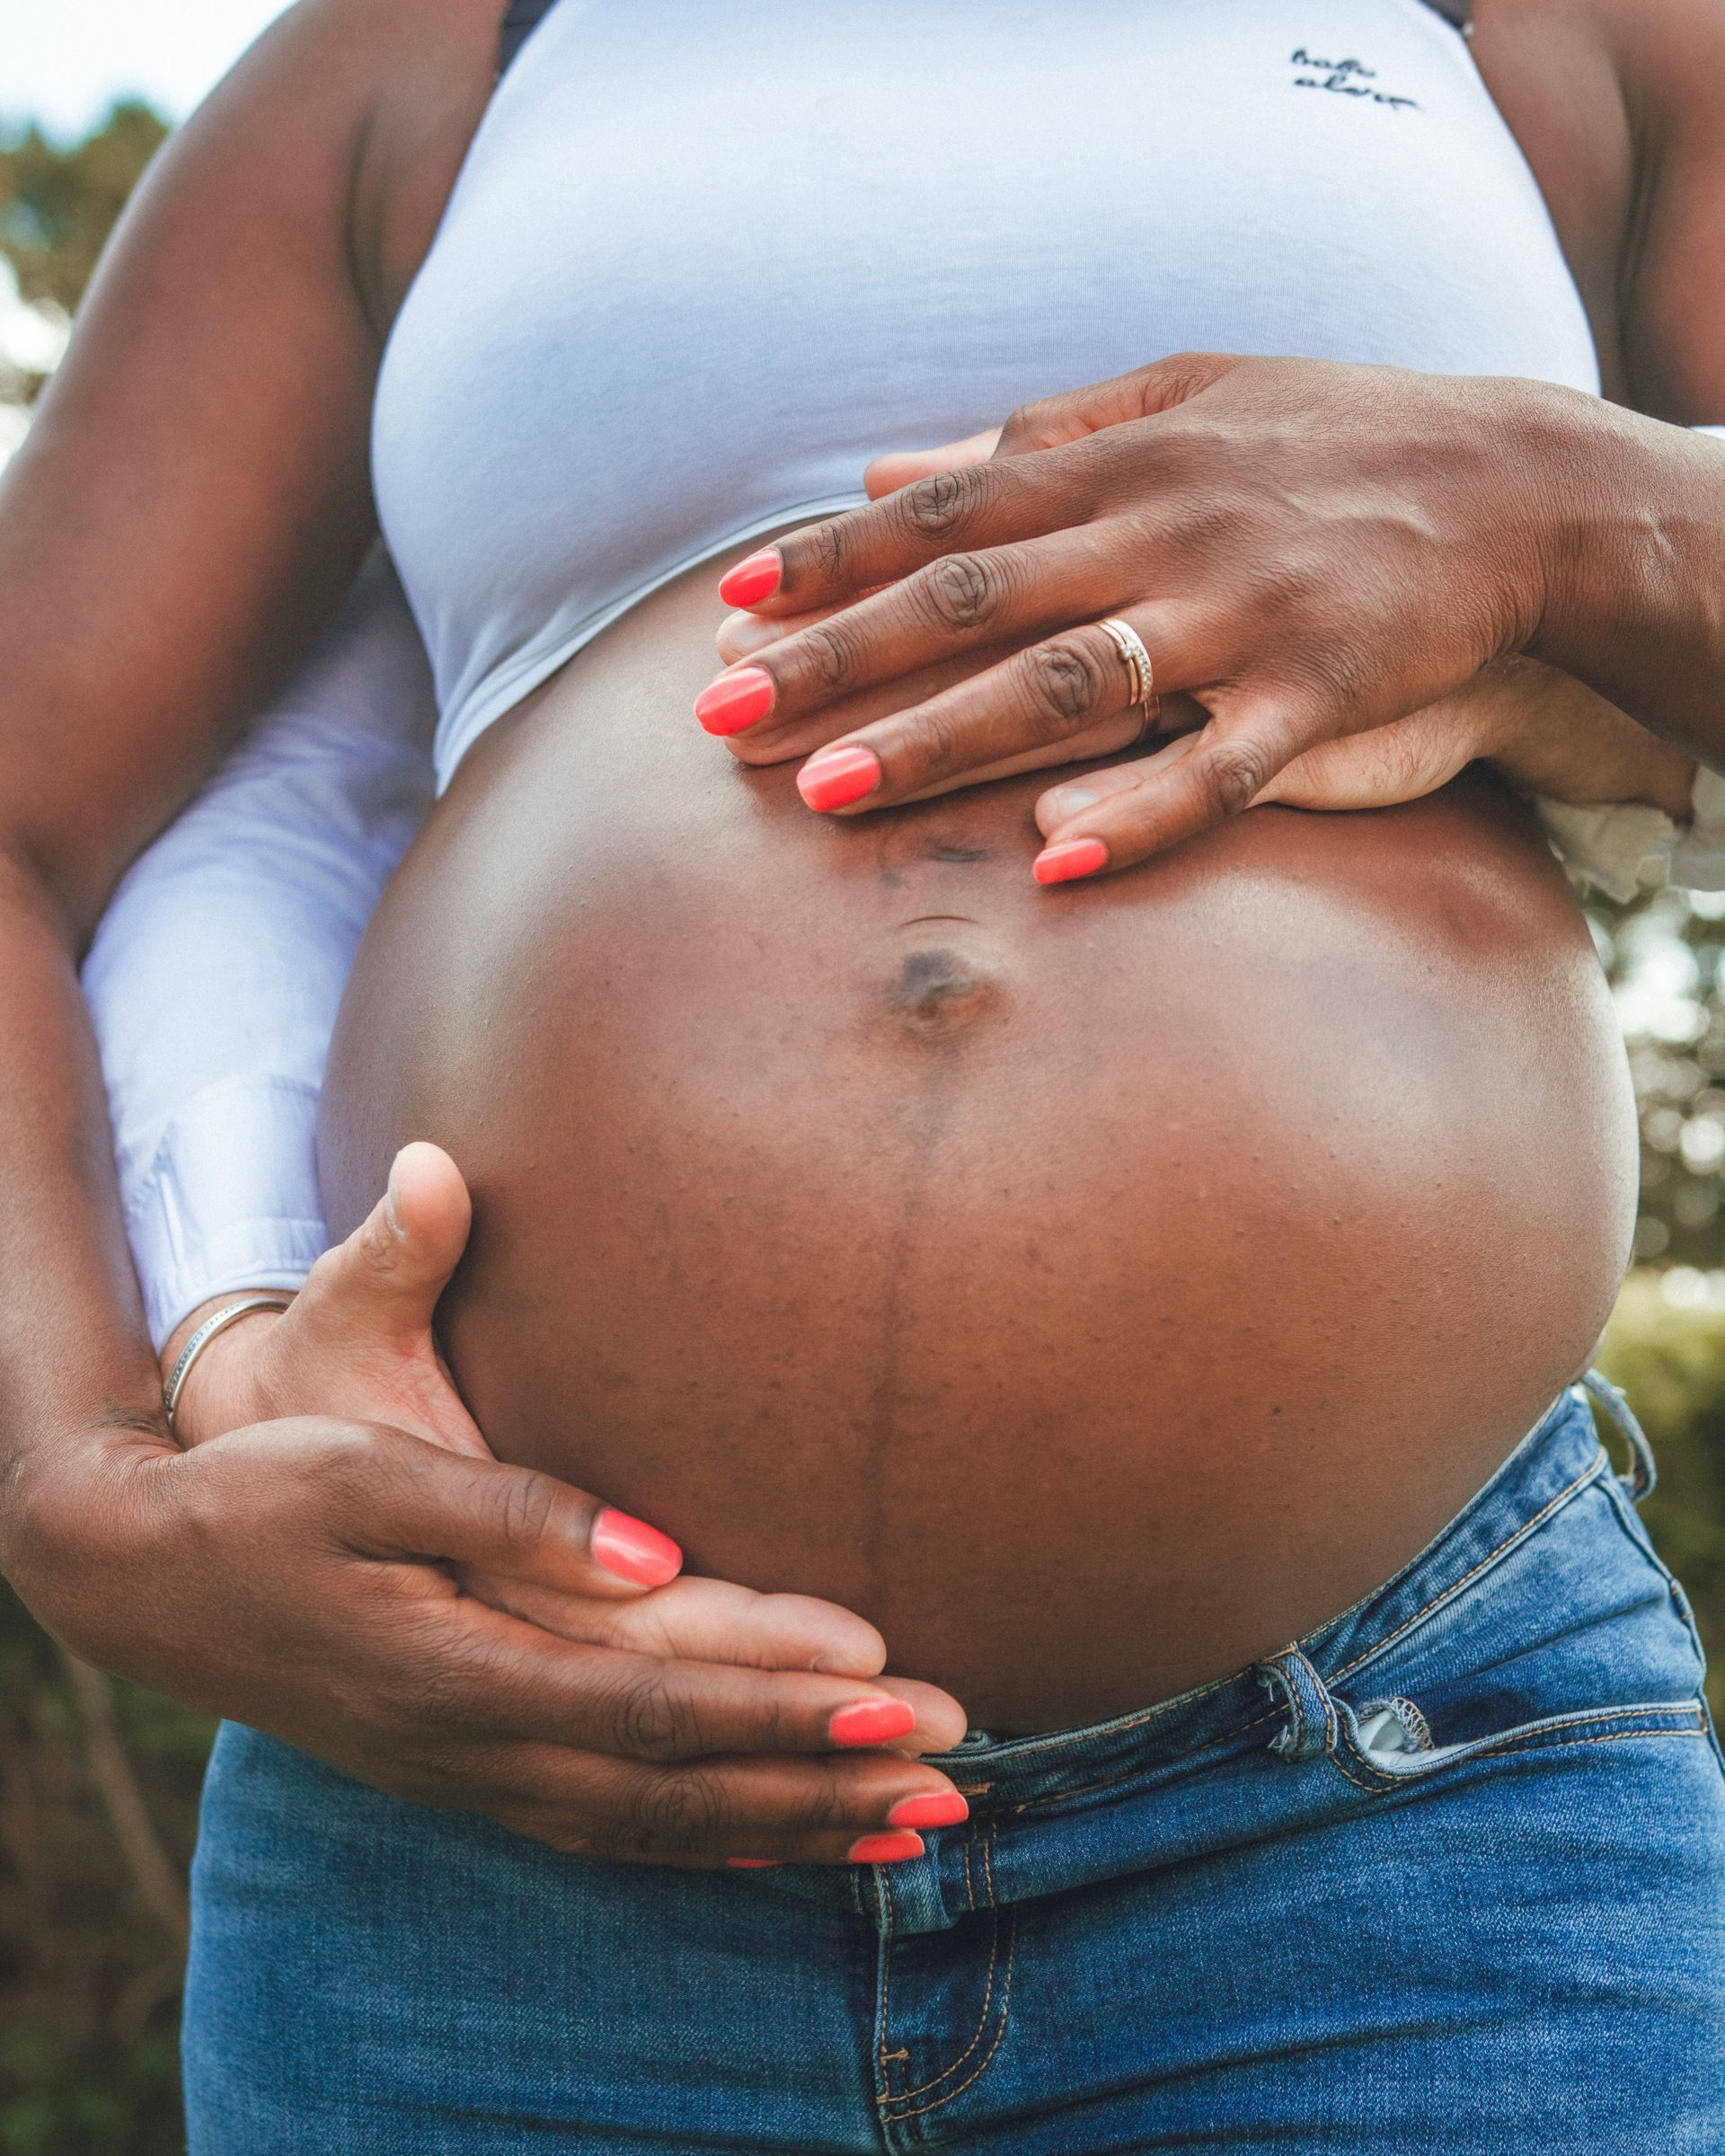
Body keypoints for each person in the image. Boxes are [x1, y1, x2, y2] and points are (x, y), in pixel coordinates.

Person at [2, 0, 1724, 2145]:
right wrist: (68, 1475)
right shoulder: (426, 58)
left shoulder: (1568, 38)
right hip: (483, 1837)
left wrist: (1574, 517)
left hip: (1394, 1797)